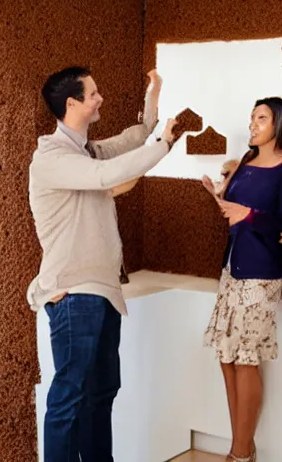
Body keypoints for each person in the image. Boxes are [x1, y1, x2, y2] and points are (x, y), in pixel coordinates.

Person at [26, 66, 176, 462]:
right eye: (93, 94)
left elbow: (132, 140)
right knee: (68, 400)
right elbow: (109, 173)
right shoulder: (52, 158)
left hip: (103, 292)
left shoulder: (84, 150)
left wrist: (153, 99)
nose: (100, 99)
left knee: (101, 395)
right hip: (75, 294)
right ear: (72, 103)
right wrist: (163, 145)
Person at [202, 97, 282, 462]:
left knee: (246, 358)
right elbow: (231, 210)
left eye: (261, 118)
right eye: (251, 117)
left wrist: (248, 215)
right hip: (232, 267)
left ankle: (239, 453)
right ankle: (242, 445)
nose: (252, 124)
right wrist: (220, 195)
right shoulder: (246, 162)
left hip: (263, 272)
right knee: (227, 356)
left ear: (279, 124)